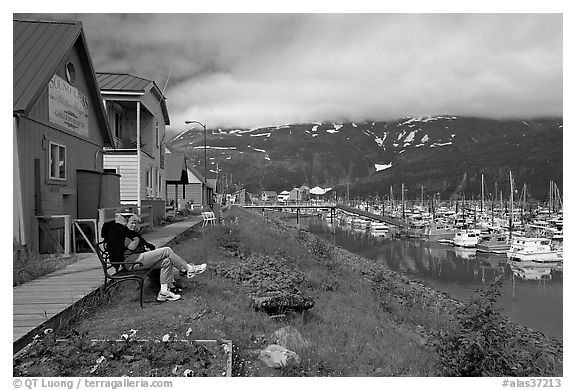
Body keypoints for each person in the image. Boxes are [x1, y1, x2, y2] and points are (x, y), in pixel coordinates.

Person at [104, 214, 206, 302]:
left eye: (135, 223)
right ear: (125, 223)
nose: (134, 225)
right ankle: (189, 269)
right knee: (166, 250)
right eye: (131, 222)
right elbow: (132, 246)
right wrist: (136, 240)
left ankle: (164, 292)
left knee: (166, 261)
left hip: (138, 259)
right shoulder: (122, 234)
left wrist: (143, 245)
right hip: (133, 262)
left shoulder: (130, 233)